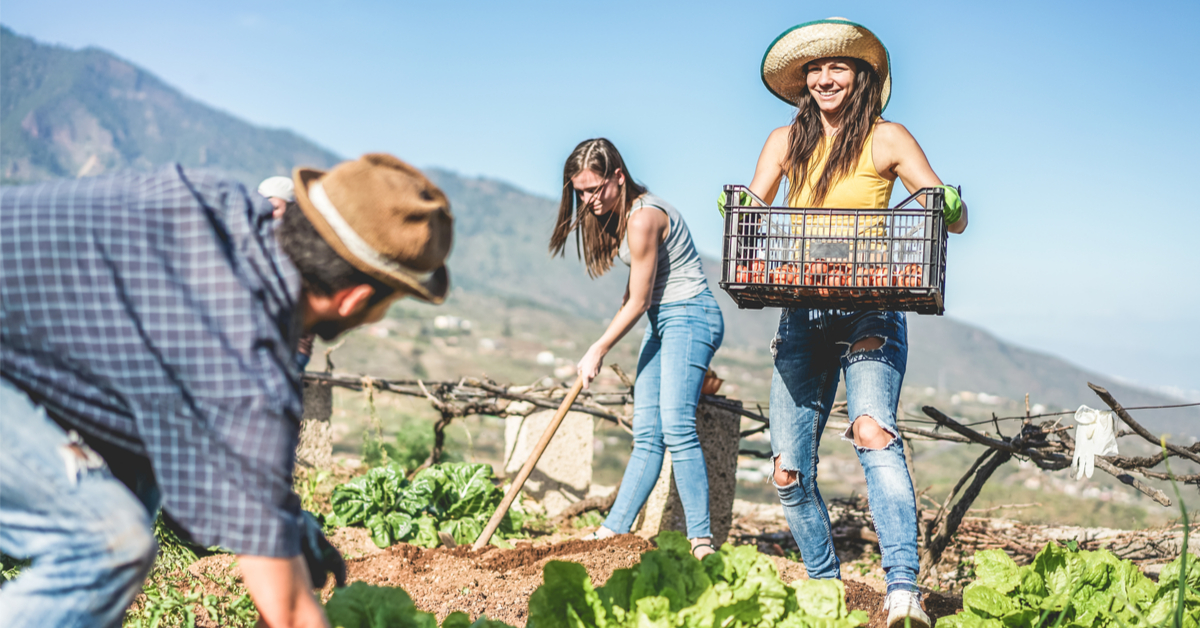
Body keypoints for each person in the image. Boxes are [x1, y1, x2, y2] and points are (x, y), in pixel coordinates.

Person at [0, 154, 453, 627]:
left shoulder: (220, 209)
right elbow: (292, 613)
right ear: (353, 298)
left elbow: (205, 459)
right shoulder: (241, 354)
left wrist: (281, 526)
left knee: (142, 483)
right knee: (107, 543)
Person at [747, 18, 967, 628]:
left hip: (873, 302)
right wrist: (739, 206)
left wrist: (949, 202)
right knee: (788, 472)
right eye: (813, 70)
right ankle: (825, 588)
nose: (824, 78)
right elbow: (753, 209)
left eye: (837, 67)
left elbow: (947, 212)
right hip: (801, 308)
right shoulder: (784, 140)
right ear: (802, 83)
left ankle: (902, 592)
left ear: (862, 76)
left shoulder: (887, 138)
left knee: (872, 430)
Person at [550, 138, 725, 559]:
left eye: (595, 189)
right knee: (647, 433)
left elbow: (641, 300)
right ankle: (614, 530)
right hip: (662, 320)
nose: (589, 200)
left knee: (676, 425)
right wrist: (611, 332)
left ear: (618, 176)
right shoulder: (623, 213)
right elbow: (636, 295)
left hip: (690, 314)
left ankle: (701, 540)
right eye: (581, 192)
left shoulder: (644, 216)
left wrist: (598, 348)